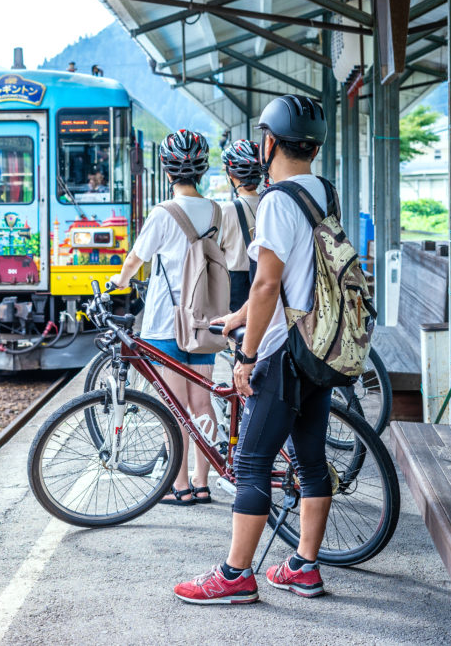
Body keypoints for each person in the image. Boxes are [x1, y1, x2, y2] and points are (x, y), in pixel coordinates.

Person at [173, 95, 334, 603]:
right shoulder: (323, 191)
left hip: (284, 352)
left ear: (269, 143)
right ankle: (304, 566)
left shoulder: (277, 201)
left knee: (251, 462)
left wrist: (246, 356)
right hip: (318, 347)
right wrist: (239, 317)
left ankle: (235, 576)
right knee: (309, 459)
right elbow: (300, 276)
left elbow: (267, 286)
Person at [109, 130, 226, 506]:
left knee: (172, 407)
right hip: (203, 321)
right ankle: (203, 480)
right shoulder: (215, 211)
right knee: (202, 403)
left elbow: (135, 260)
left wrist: (118, 282)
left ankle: (178, 486)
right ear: (203, 170)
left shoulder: (163, 213)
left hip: (164, 322)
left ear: (167, 169)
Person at [220, 140, 262, 312]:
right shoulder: (271, 203)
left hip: (235, 289)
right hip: (266, 281)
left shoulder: (227, 210)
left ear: (232, 175)